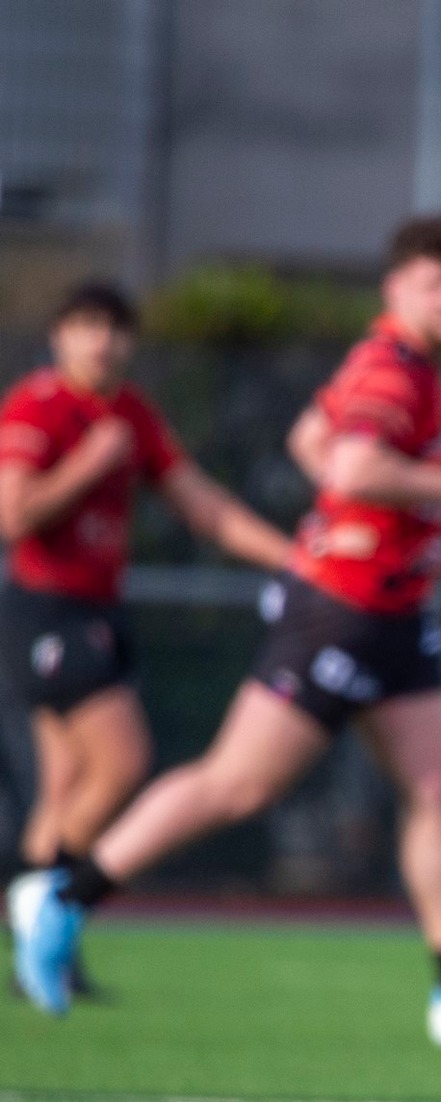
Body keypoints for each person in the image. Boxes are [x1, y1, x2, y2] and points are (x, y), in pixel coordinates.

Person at [8, 218, 441, 1049]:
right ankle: (65, 894)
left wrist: (340, 522)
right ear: (396, 291)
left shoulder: (402, 366)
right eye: (438, 283)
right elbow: (349, 465)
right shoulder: (392, 368)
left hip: (392, 612)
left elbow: (312, 438)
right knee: (237, 785)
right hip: (343, 610)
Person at [2, 281, 295, 998]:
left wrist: (296, 560)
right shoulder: (39, 407)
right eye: (84, 325)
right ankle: (51, 910)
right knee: (122, 760)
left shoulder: (130, 412)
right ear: (59, 336)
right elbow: (13, 516)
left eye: (113, 327)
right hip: (46, 609)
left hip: (98, 611)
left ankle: (39, 943)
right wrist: (89, 464)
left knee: (65, 787)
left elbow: (206, 506)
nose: (100, 340)